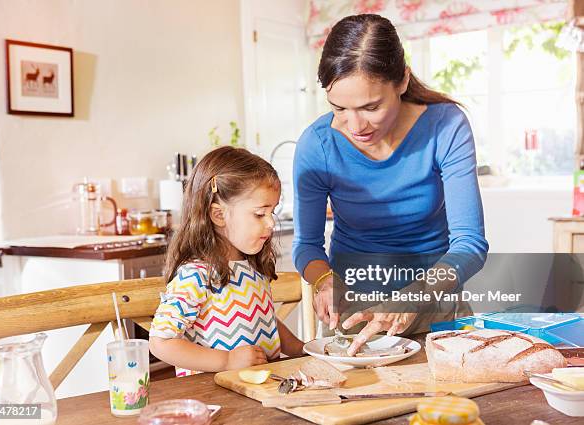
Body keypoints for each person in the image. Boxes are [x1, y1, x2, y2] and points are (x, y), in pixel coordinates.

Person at [292, 14, 489, 355]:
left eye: (371, 107)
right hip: (354, 315)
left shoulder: (446, 127)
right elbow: (307, 246)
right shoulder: (317, 144)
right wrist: (325, 281)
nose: (355, 125)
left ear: (402, 81)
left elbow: (470, 244)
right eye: (339, 108)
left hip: (435, 305)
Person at [150, 146, 303, 376]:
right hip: (213, 399)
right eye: (260, 214)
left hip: (258, 393)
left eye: (273, 212)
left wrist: (301, 349)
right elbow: (161, 342)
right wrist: (227, 361)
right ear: (219, 214)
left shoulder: (251, 267)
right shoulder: (196, 275)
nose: (271, 223)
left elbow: (264, 321)